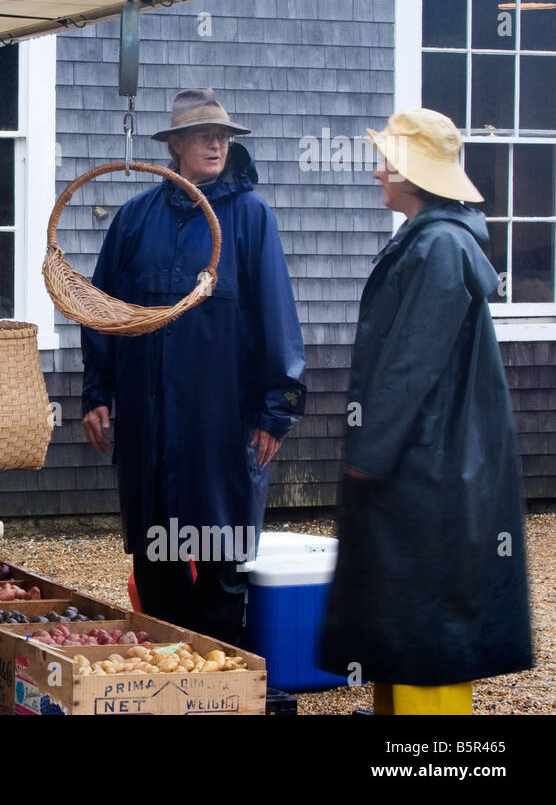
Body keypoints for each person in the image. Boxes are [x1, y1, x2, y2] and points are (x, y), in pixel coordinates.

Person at [319, 108, 533, 714]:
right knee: (400, 618)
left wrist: (369, 452)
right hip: (422, 460)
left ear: (412, 172)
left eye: (387, 160)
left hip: (428, 467)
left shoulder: (437, 244)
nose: (377, 172)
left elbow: (411, 364)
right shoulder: (431, 237)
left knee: (424, 623)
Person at [81, 88, 306, 646]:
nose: (216, 143)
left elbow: (278, 318)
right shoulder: (134, 220)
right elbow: (100, 310)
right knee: (158, 560)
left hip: (221, 428)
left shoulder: (252, 219)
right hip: (147, 429)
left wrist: (276, 412)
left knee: (221, 562)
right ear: (175, 145)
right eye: (203, 134)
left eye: (224, 136)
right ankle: (166, 679)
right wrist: (96, 393)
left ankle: (218, 686)